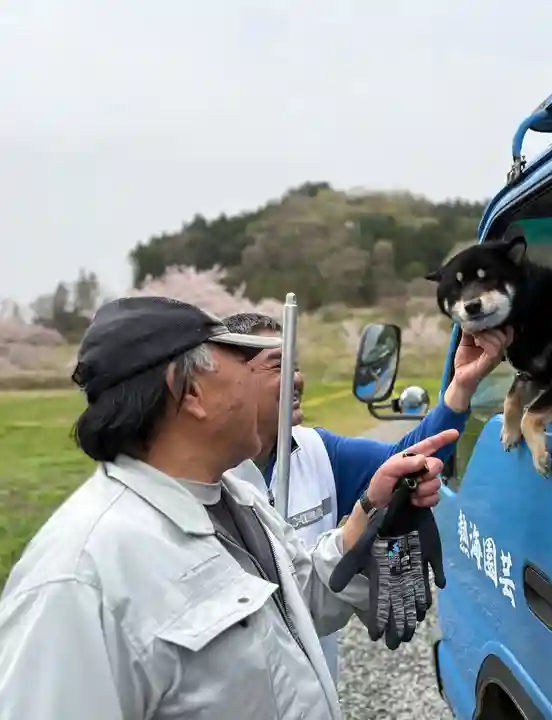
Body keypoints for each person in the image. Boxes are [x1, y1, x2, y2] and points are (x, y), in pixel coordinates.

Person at [0, 296, 456, 720]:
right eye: (242, 363)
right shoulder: (78, 576)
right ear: (190, 393)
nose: (279, 383)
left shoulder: (237, 501)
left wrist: (372, 514)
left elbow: (302, 599)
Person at [222, 312, 513, 681]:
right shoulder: (209, 479)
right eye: (278, 366)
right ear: (227, 380)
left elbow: (407, 461)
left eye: (296, 365)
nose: (296, 379)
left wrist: (460, 389)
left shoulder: (316, 449)